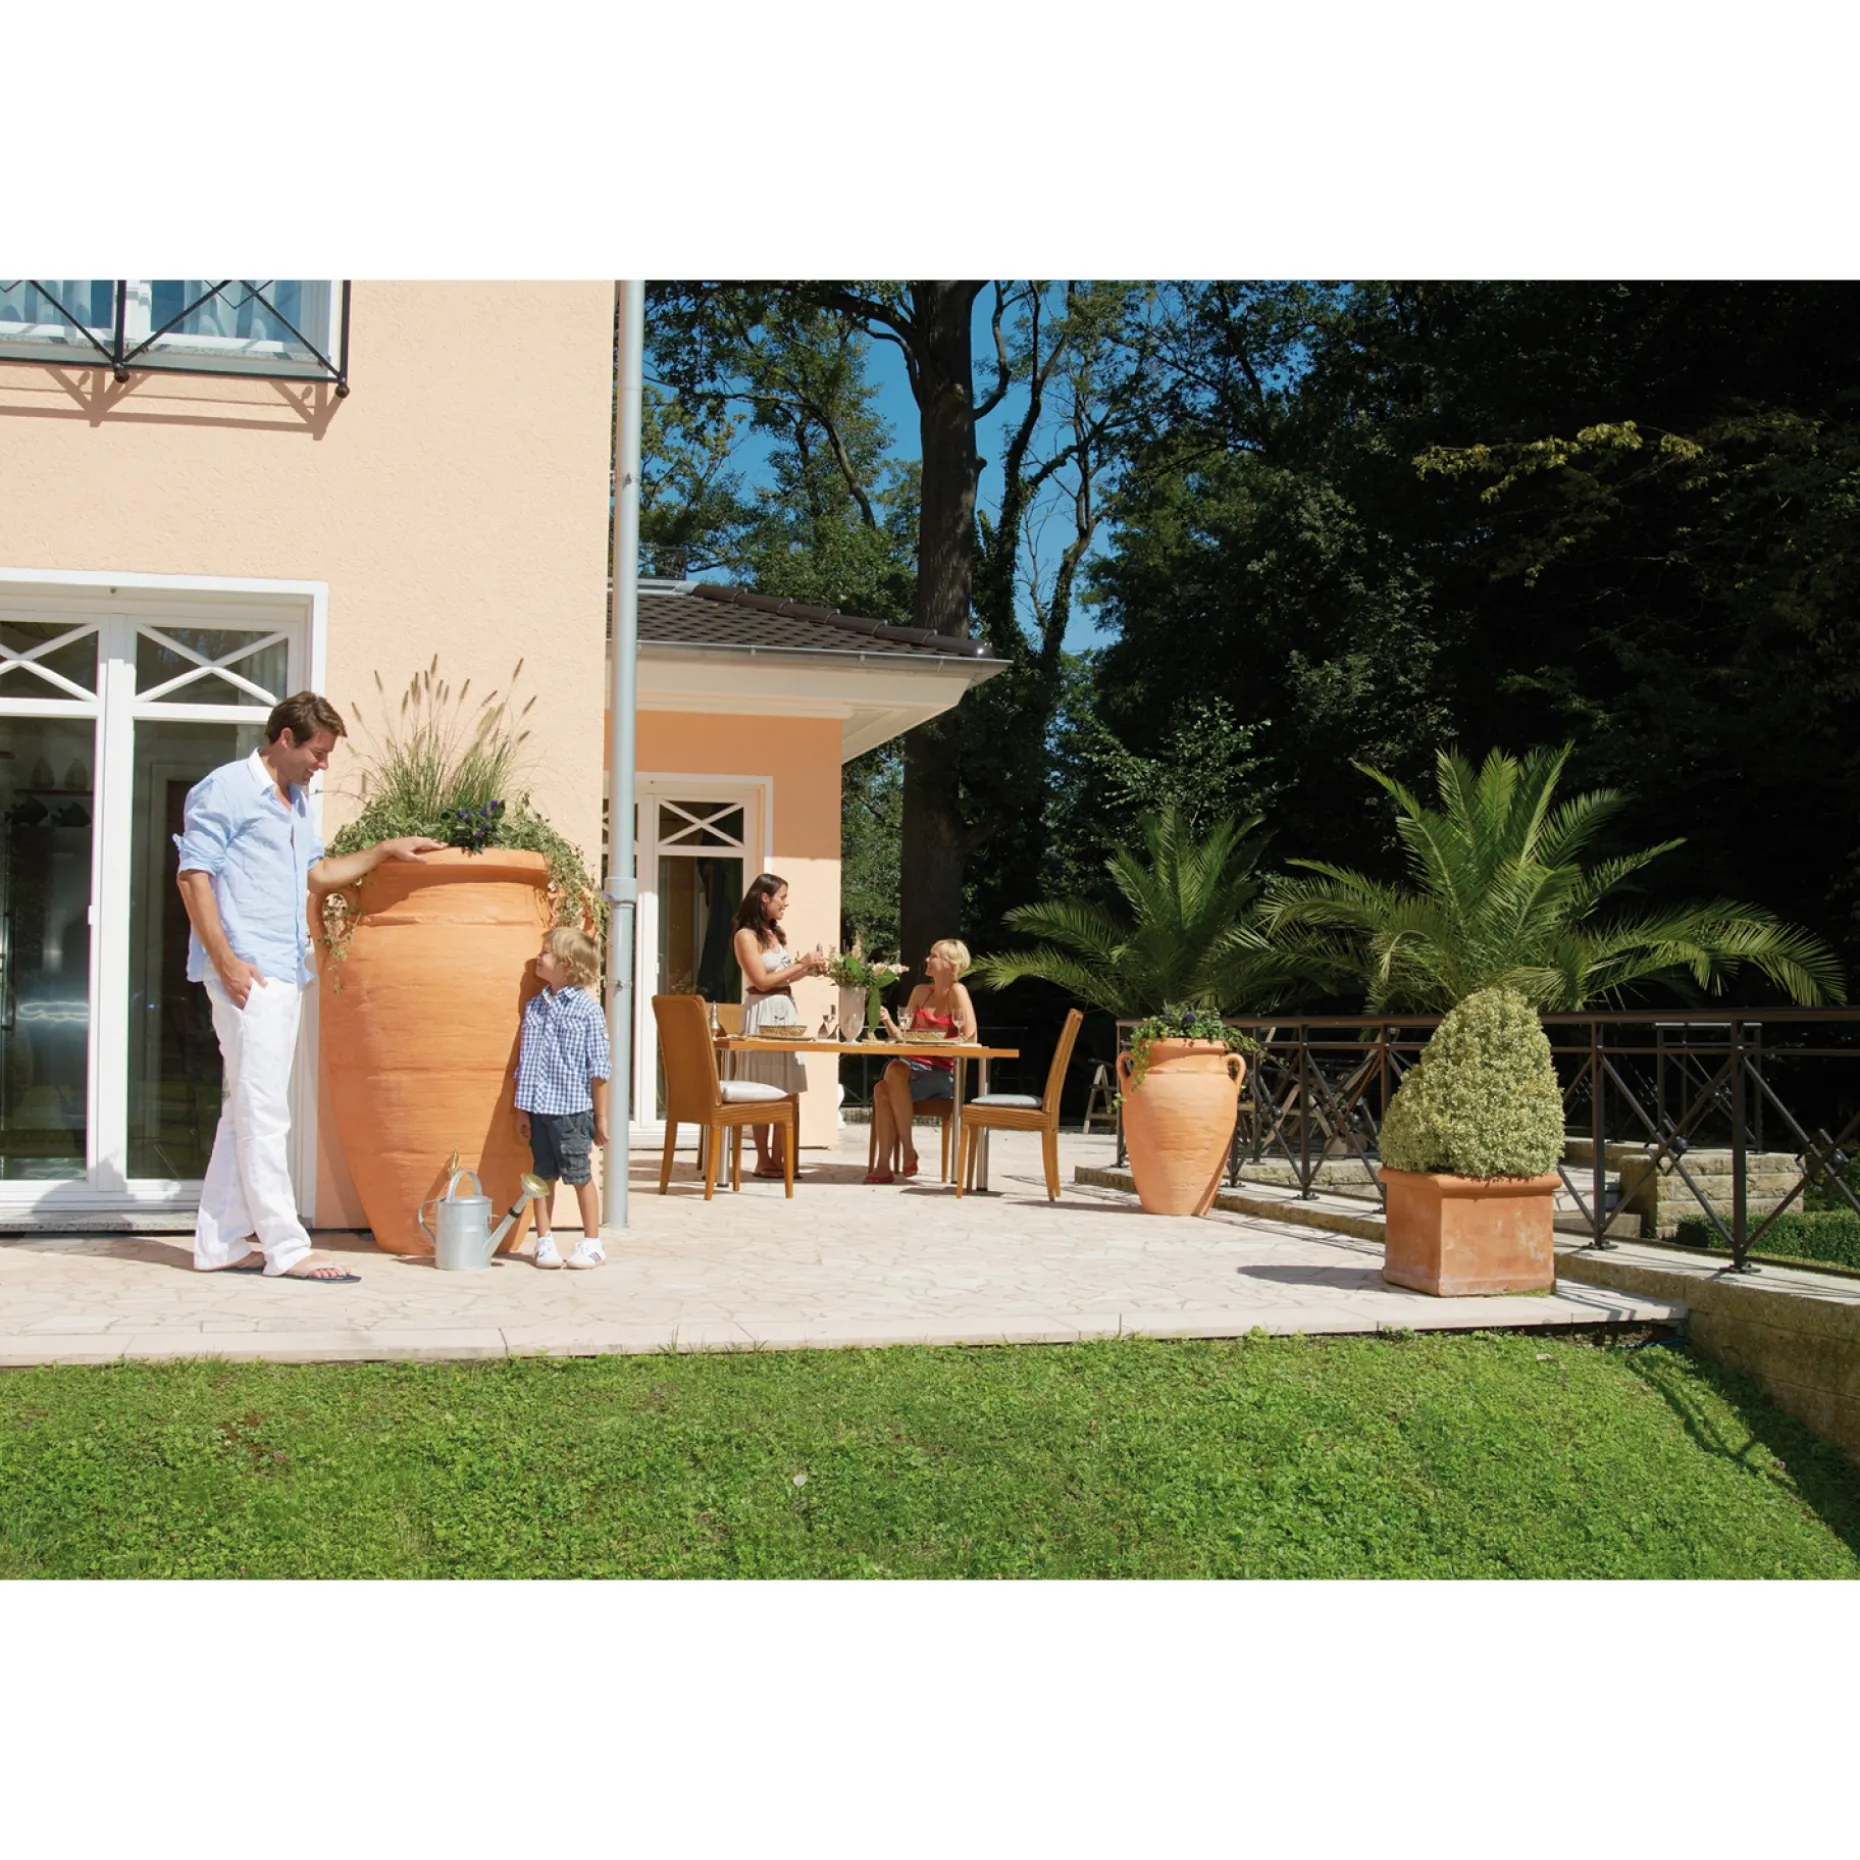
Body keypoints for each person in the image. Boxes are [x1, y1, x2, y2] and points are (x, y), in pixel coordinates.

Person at [174, 691, 444, 1281]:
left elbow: (317, 875)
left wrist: (384, 851)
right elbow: (193, 876)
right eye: (318, 753)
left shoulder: (295, 802)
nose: (323, 765)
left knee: (244, 1109)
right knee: (265, 1113)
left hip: (283, 969)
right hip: (248, 974)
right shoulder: (226, 788)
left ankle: (218, 1243)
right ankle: (286, 1248)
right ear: (285, 739)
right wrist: (226, 961)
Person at [514, 926, 612, 1270]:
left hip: (571, 1113)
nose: (538, 957)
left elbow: (599, 1069)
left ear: (567, 965)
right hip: (539, 1110)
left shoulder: (588, 1011)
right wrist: (522, 1110)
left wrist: (600, 1118)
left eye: (546, 952)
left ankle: (592, 1243)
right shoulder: (535, 1007)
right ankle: (543, 1241)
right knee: (542, 1176)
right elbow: (526, 1062)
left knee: (579, 1174)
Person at [731, 872, 826, 1178]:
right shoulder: (745, 936)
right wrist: (801, 963)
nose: (786, 903)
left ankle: (781, 1158)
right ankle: (763, 1159)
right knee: (762, 1084)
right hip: (762, 1011)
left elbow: (782, 977)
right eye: (782, 897)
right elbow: (761, 980)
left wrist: (809, 969)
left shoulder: (773, 934)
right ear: (765, 898)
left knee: (788, 1085)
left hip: (785, 1009)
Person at [867, 938, 976, 1184]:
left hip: (941, 1073)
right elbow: (904, 1036)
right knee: (892, 1073)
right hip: (912, 1068)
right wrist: (888, 1021)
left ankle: (886, 1164)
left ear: (950, 964)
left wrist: (938, 1043)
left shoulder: (957, 991)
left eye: (934, 956)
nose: (927, 959)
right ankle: (904, 1152)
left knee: (883, 1088)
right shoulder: (920, 992)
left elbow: (971, 1036)